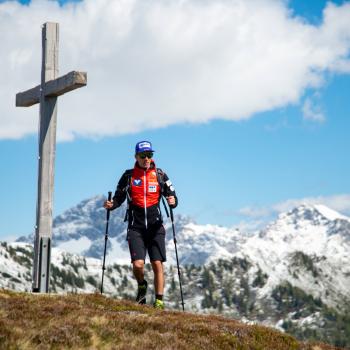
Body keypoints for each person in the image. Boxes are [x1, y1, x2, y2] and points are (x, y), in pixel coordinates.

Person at [103, 141, 178, 309]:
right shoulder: (128, 176)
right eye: (143, 156)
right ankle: (142, 285)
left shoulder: (160, 175)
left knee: (157, 263)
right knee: (137, 265)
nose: (147, 159)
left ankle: (158, 301)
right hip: (135, 227)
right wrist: (111, 205)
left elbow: (172, 195)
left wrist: (173, 202)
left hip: (155, 227)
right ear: (136, 157)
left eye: (150, 155)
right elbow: (118, 198)